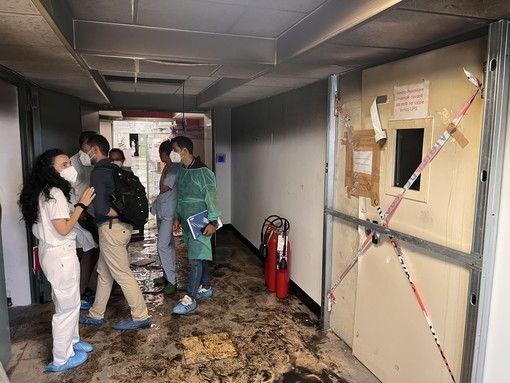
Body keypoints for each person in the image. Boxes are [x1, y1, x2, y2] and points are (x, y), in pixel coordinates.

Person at [18, 149, 96, 372]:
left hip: (52, 252)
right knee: (68, 307)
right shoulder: (55, 193)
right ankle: (62, 358)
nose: (69, 168)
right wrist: (81, 205)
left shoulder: (43, 191)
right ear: (50, 169)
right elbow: (62, 229)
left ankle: (73, 342)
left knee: (67, 300)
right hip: (60, 253)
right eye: (63, 165)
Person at [79, 134, 151, 330]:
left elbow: (101, 209)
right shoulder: (113, 169)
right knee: (104, 271)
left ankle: (140, 315)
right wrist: (125, 215)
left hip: (111, 229)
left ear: (94, 150)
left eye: (85, 151)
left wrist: (119, 214)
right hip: (121, 228)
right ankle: (96, 313)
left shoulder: (99, 172)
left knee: (122, 274)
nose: (83, 155)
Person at [170, 136, 221, 315]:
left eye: (174, 149)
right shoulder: (182, 171)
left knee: (194, 260)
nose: (172, 153)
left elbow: (211, 196)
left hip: (201, 220)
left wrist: (213, 221)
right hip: (186, 220)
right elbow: (181, 197)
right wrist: (177, 216)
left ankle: (189, 298)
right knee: (198, 256)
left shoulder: (203, 172)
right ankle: (205, 287)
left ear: (184, 150)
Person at [70, 131, 99, 310]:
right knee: (86, 251)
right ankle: (82, 291)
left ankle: (90, 287)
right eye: (91, 147)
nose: (93, 151)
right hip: (79, 213)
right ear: (83, 146)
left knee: (94, 251)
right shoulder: (72, 163)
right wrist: (77, 210)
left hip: (94, 212)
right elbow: (69, 190)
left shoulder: (94, 162)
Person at [150, 140, 180, 295]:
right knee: (169, 245)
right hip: (163, 210)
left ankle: (172, 281)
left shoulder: (174, 169)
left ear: (164, 154)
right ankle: (166, 274)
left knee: (162, 245)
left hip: (169, 213)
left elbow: (163, 188)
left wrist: (164, 170)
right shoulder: (170, 168)